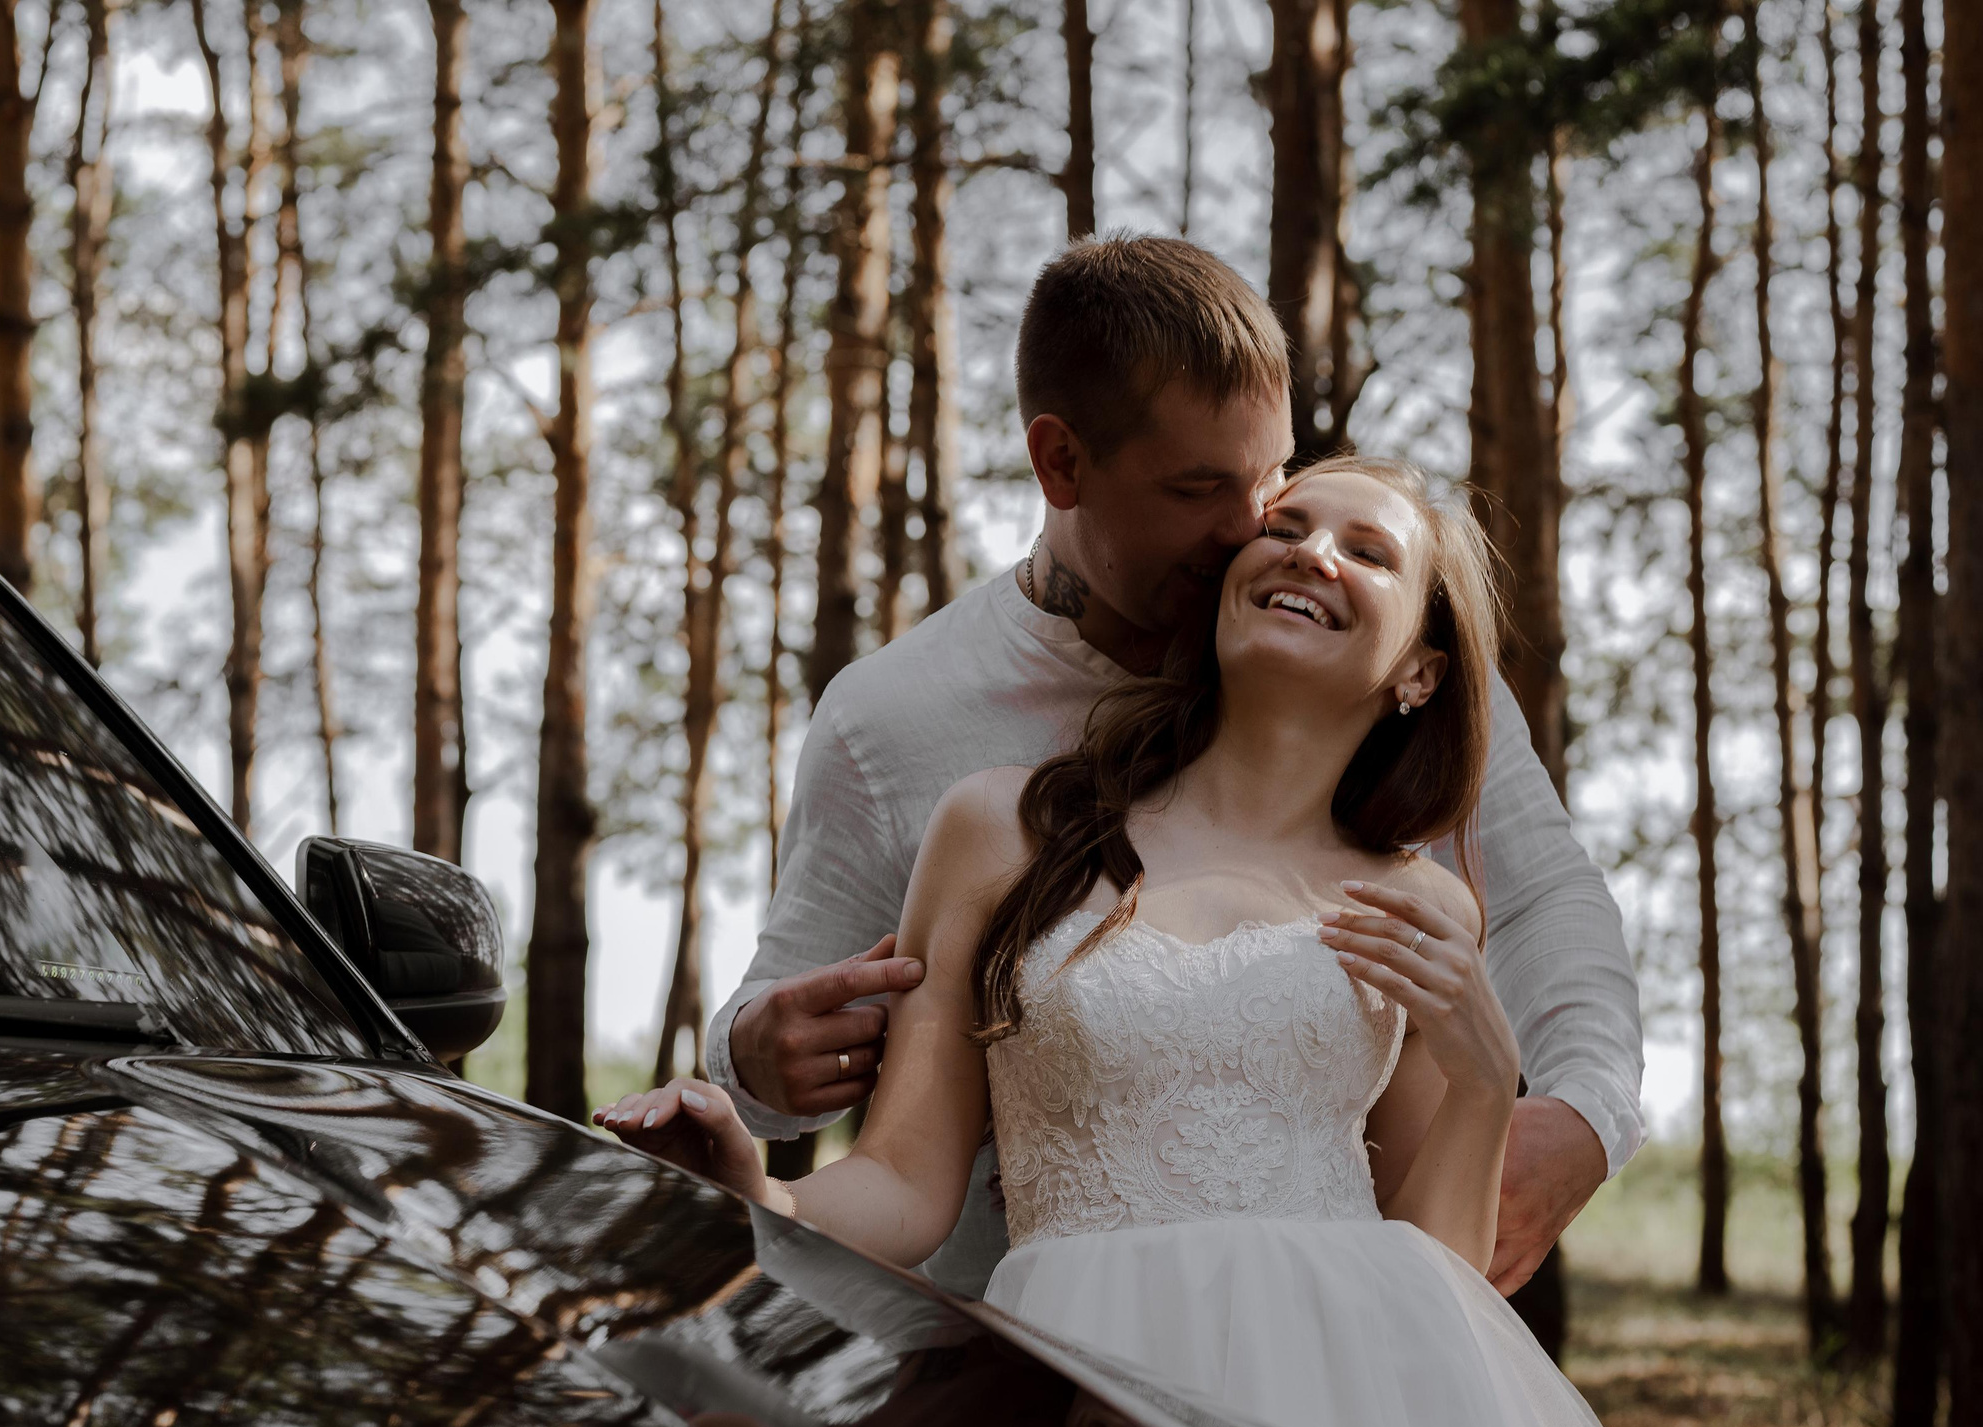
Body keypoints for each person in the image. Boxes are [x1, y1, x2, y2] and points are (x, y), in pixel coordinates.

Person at [598, 457, 1738, 1427]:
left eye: (1369, 552)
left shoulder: (1417, 897)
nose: (1310, 554)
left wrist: (1482, 1078)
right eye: (1288, 527)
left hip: (1373, 1406)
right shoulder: (1003, 828)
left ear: (1420, 669)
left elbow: (1442, 1265)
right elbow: (904, 1184)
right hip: (1075, 1392)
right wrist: (747, 1196)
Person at [703, 237, 1642, 1309]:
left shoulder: (1383, 678)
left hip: (1341, 1334)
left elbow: (1543, 898)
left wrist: (1585, 1109)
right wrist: (754, 1065)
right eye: (1202, 488)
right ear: (1060, 463)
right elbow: (805, 1064)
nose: (1258, 530)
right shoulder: (897, 722)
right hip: (989, 1340)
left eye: (1274, 477)